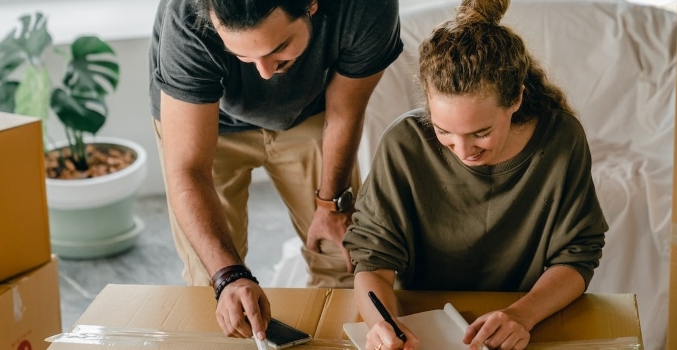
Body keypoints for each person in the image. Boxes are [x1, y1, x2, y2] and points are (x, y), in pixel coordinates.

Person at [342, 0, 608, 349]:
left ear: (515, 99)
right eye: (443, 131)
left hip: (522, 322)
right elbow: (373, 261)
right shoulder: (404, 144)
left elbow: (578, 255)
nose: (464, 151)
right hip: (421, 325)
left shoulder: (561, 139)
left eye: (481, 132)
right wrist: (384, 324)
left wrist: (522, 315)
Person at [147, 0, 403, 342]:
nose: (264, 73)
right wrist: (228, 276)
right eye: (242, 56)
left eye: (279, 47)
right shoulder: (188, 18)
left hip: (310, 114)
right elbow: (189, 170)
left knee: (341, 259)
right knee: (214, 284)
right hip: (206, 122)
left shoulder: (367, 7)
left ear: (311, 5)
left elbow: (344, 113)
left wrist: (331, 204)